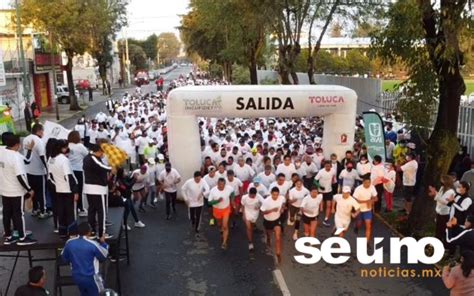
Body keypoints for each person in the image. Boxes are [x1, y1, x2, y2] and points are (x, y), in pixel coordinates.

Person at [0, 133, 37, 245]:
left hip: (3, 189)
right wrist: (29, 189)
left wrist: (29, 150)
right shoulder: (15, 157)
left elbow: (25, 160)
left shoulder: (1, 151)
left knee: (7, 213)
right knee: (18, 214)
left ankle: (8, 236)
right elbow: (20, 175)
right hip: (16, 190)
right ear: (17, 144)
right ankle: (22, 237)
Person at [61, 222, 108, 296]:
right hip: (92, 278)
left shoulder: (69, 242)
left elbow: (64, 258)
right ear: (89, 232)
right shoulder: (93, 244)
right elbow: (104, 255)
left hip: (77, 277)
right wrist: (104, 243)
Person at [47, 140, 79, 238]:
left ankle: (62, 232)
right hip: (68, 190)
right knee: (71, 212)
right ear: (62, 148)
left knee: (61, 212)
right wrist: (75, 191)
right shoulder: (64, 160)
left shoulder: (51, 159)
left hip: (59, 189)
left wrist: (57, 184)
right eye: (65, 147)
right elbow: (68, 176)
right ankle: (73, 233)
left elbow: (50, 177)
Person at [83, 144, 112, 239]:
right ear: (98, 151)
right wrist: (112, 168)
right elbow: (102, 167)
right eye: (102, 152)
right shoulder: (93, 158)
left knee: (92, 209)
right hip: (97, 189)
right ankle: (101, 233)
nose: (103, 154)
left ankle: (92, 231)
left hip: (89, 188)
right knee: (101, 211)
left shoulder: (87, 158)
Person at [24, 124, 50, 218]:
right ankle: (43, 211)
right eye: (42, 131)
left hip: (28, 171)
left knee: (33, 191)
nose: (43, 133)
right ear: (39, 131)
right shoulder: (39, 141)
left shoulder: (25, 139)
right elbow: (42, 156)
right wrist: (47, 170)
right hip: (39, 171)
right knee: (41, 192)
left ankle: (35, 209)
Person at [428, 175, 456, 248]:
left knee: (442, 229)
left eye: (442, 181)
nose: (441, 182)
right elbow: (439, 197)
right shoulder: (442, 188)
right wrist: (435, 193)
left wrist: (435, 194)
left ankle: (443, 244)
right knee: (438, 229)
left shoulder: (451, 192)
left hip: (445, 213)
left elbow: (446, 202)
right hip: (439, 211)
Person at [260, 186, 286, 263]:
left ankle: (278, 254)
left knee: (278, 237)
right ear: (271, 194)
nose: (275, 196)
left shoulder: (281, 198)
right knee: (269, 234)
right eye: (274, 194)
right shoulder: (266, 201)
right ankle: (268, 238)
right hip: (268, 220)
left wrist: (282, 208)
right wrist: (271, 210)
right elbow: (262, 212)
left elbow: (283, 203)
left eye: (277, 195)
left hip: (277, 220)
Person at [208, 178, 234, 249]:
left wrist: (232, 201)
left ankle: (224, 243)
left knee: (225, 226)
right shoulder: (213, 190)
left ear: (225, 184)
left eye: (223, 185)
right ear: (217, 184)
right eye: (220, 184)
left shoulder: (229, 188)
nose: (221, 186)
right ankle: (221, 229)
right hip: (217, 210)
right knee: (219, 224)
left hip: (226, 209)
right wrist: (217, 201)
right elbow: (209, 202)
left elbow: (232, 192)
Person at [181, 171, 210, 236]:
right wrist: (185, 199)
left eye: (199, 179)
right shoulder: (189, 182)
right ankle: (193, 220)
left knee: (198, 215)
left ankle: (197, 228)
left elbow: (208, 189)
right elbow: (183, 189)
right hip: (191, 202)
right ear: (194, 178)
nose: (198, 180)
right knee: (192, 215)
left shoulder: (203, 181)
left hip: (199, 202)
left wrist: (203, 193)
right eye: (196, 179)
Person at [68, 131, 89, 217]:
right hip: (79, 170)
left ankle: (74, 208)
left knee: (72, 189)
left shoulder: (67, 145)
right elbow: (87, 155)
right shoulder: (80, 146)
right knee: (80, 189)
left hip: (69, 170)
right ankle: (81, 208)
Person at [353, 174, 378, 245]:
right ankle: (356, 226)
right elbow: (355, 200)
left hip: (368, 210)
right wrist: (367, 201)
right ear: (363, 182)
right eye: (366, 183)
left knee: (368, 225)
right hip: (359, 209)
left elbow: (376, 198)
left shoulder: (372, 187)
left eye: (369, 183)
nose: (368, 184)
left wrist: (371, 201)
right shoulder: (358, 189)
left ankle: (367, 242)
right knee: (359, 223)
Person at [315, 161, 336, 227]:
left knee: (329, 205)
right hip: (321, 191)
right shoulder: (321, 172)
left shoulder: (333, 171)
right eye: (326, 166)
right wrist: (319, 186)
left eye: (329, 166)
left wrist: (333, 182)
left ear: (331, 166)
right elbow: (315, 180)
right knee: (320, 207)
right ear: (324, 166)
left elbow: (333, 177)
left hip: (329, 191)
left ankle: (326, 219)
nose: (327, 167)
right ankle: (316, 219)